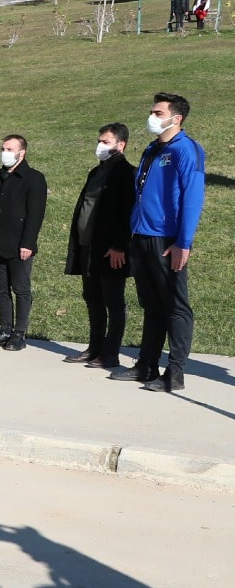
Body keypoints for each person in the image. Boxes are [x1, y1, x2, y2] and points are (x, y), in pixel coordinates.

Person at [112, 93, 205, 392]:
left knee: (175, 306)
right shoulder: (152, 149)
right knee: (151, 305)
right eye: (152, 110)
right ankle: (146, 365)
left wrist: (183, 241)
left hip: (167, 240)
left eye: (157, 111)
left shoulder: (186, 149)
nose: (151, 116)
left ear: (176, 118)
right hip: (141, 236)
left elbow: (192, 197)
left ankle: (174, 373)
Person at [64, 124, 135, 369]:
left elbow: (128, 213)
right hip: (88, 248)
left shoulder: (126, 173)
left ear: (120, 145)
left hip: (110, 251)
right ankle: (94, 347)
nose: (100, 146)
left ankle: (110, 353)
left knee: (113, 301)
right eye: (99, 141)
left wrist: (119, 246)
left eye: (106, 142)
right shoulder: (96, 172)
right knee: (92, 298)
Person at [0, 136, 48, 350]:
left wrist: (28, 243)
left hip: (19, 246)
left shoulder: (34, 178)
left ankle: (19, 333)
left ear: (22, 152)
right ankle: (5, 329)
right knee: (0, 290)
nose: (4, 152)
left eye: (9, 149)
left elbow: (35, 215)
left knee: (21, 289)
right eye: (3, 148)